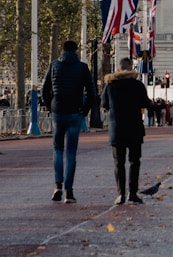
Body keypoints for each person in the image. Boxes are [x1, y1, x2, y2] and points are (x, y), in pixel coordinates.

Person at [41, 40, 96, 203]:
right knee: (71, 152)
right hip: (75, 111)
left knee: (57, 149)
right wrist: (84, 111)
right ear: (76, 51)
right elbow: (92, 92)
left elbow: (45, 90)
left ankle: (58, 184)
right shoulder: (82, 67)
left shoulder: (54, 65)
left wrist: (51, 106)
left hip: (58, 110)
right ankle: (69, 191)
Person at [101, 56, 152, 204]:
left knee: (119, 163)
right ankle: (133, 192)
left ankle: (120, 193)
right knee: (135, 162)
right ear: (131, 69)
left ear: (118, 68)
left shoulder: (110, 86)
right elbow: (146, 103)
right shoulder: (138, 85)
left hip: (117, 128)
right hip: (134, 127)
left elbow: (104, 104)